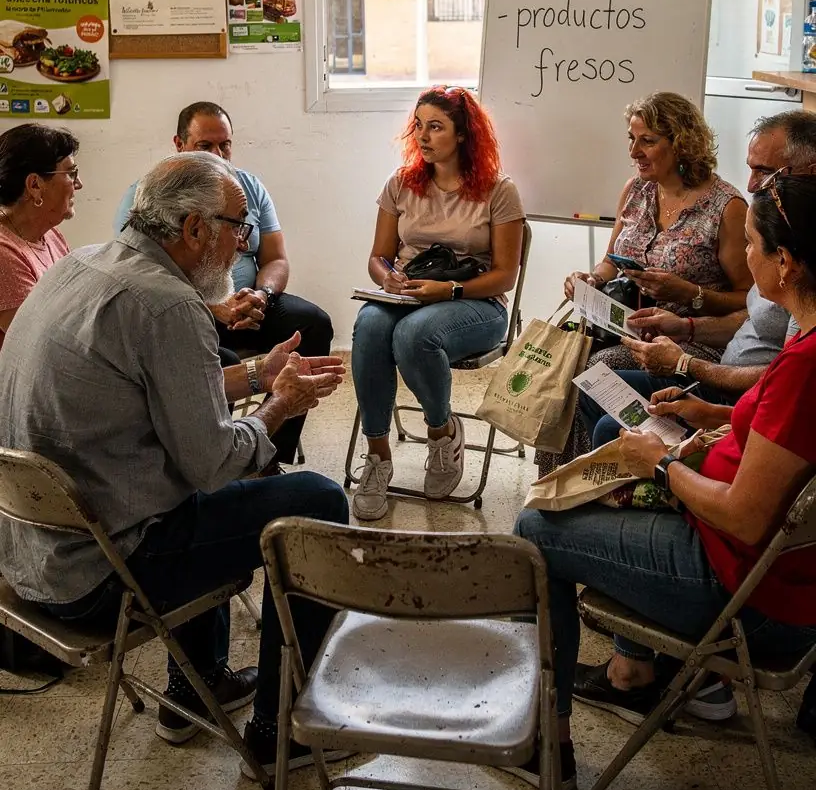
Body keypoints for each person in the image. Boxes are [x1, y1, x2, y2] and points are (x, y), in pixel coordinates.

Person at [0, 153, 349, 773]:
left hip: (29, 561)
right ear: (193, 230)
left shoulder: (79, 263)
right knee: (317, 499)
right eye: (237, 227)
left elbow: (159, 395)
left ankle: (199, 683)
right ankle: (282, 730)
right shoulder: (169, 306)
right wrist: (279, 405)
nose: (243, 241)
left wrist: (253, 374)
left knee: (184, 474)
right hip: (101, 581)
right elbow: (214, 462)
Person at [515, 175, 816, 790]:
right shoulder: (803, 348)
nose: (748, 254)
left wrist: (661, 465)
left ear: (784, 263)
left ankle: (549, 743)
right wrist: (709, 416)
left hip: (749, 596)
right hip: (767, 577)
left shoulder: (802, 369)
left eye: (754, 243)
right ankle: (631, 671)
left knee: (533, 528)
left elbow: (744, 516)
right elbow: (776, 440)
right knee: (615, 444)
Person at [582, 109, 816, 452]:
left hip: (732, 387)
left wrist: (686, 360)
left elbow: (785, 379)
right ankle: (579, 485)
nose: (752, 184)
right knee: (593, 380)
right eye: (631, 139)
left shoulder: (786, 247)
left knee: (606, 399)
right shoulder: (638, 191)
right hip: (718, 370)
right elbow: (750, 320)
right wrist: (684, 327)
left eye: (764, 172)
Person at [114, 100, 332, 462]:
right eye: (205, 146)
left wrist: (260, 295)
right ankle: (214, 456)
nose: (218, 154)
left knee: (312, 324)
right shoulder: (151, 192)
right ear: (179, 144)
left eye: (225, 144)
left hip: (248, 302)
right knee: (222, 358)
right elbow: (145, 272)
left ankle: (270, 456)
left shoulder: (248, 187)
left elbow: (276, 258)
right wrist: (215, 306)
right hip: (190, 308)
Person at [547, 91, 750, 473]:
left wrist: (688, 295)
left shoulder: (727, 207)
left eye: (647, 140)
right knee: (567, 360)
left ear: (682, 143)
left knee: (595, 367)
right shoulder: (637, 190)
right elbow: (610, 261)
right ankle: (561, 482)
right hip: (624, 327)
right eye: (631, 138)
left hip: (690, 340)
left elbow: (747, 301)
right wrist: (588, 279)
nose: (634, 151)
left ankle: (595, 477)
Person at [351, 86, 524, 520]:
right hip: (408, 292)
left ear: (463, 134)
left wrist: (448, 291)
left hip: (476, 302)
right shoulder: (401, 183)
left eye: (435, 127)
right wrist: (387, 277)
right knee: (370, 327)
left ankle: (442, 434)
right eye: (419, 126)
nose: (423, 136)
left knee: (414, 335)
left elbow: (505, 274)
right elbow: (378, 256)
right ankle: (377, 456)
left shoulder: (498, 190)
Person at [0, 123, 81, 346]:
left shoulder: (51, 235)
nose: (79, 184)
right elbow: (42, 340)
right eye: (71, 173)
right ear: (34, 184)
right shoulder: (3, 255)